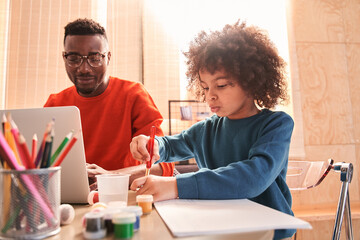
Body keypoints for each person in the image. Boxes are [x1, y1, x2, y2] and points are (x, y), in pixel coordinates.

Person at [130, 20, 295, 239]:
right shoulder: (205, 130)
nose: (210, 96)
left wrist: (176, 186)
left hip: (266, 231)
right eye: (206, 87)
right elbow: (171, 145)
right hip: (220, 228)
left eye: (221, 85)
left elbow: (253, 177)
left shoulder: (276, 125)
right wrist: (154, 145)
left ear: (251, 81)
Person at [44, 18, 174, 189]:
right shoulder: (55, 103)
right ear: (64, 58)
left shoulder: (134, 95)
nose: (84, 68)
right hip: (73, 200)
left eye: (95, 57)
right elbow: (40, 167)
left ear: (108, 57)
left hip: (124, 197)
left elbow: (163, 166)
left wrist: (111, 176)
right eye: (74, 58)